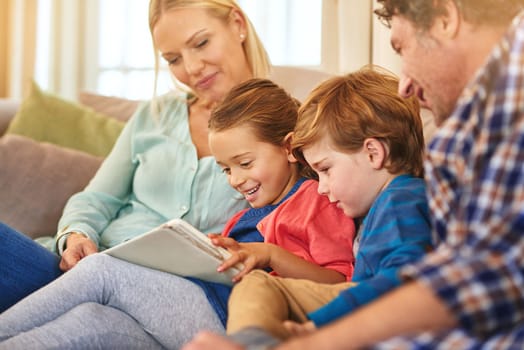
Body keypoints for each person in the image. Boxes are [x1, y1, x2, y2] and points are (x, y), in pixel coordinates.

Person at [183, 0, 524, 349]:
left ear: (446, 18)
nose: (404, 84)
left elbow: (439, 283)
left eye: (401, 48)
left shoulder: (407, 194)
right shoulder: (471, 131)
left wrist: (314, 333)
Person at [0, 78, 356, 349]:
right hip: (191, 310)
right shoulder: (252, 212)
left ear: (289, 147)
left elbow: (341, 285)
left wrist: (270, 254)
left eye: (244, 163)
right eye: (226, 170)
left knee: (103, 271)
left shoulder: (317, 199)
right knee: (89, 319)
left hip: (228, 322)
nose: (235, 180)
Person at [0, 0, 270, 313]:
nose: (192, 68)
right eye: (173, 59)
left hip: (153, 296)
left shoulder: (284, 128)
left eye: (201, 43)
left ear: (237, 24)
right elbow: (97, 198)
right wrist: (76, 236)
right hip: (78, 266)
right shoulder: (154, 116)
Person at [217, 67, 433, 348]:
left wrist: (319, 324)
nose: (320, 187)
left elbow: (405, 280)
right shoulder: (381, 206)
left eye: (326, 170)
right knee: (258, 284)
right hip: (358, 303)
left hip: (376, 310)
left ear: (373, 153)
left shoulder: (402, 200)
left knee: (259, 285)